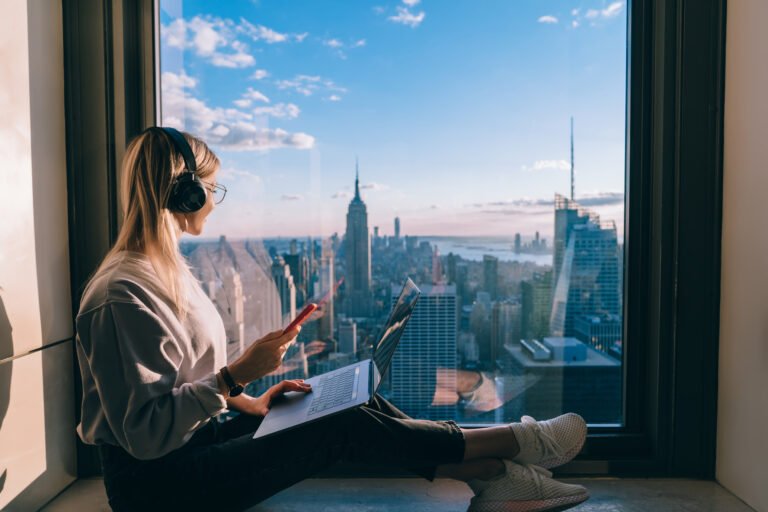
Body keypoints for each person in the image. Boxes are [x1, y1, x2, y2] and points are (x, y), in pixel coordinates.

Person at [74, 127, 591, 512]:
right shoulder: (122, 296)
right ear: (183, 193)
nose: (214, 198)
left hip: (192, 446)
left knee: (341, 398)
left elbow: (180, 385)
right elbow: (144, 435)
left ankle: (494, 475)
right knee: (339, 425)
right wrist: (237, 375)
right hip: (161, 488)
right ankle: (519, 442)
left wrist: (251, 402)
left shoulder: (166, 271)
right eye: (211, 187)